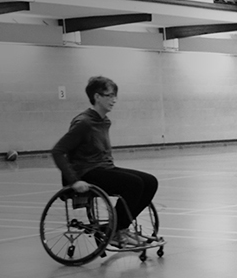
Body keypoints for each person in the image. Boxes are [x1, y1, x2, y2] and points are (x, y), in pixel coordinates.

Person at [51, 75, 159, 248]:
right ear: (97, 97)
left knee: (150, 181)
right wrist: (74, 180)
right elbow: (58, 151)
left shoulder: (104, 121)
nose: (114, 100)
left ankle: (118, 227)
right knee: (134, 184)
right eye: (109, 95)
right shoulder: (84, 123)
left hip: (103, 168)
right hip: (86, 173)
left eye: (115, 96)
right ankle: (115, 230)